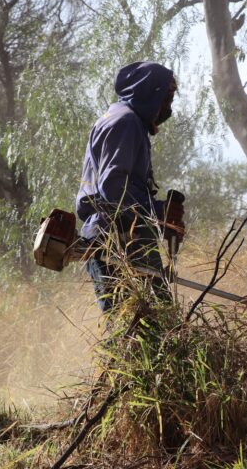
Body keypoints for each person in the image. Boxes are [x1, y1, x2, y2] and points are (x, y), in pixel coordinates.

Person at [75, 61, 184, 314]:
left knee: (138, 324)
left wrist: (160, 215)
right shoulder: (126, 122)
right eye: (166, 98)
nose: (168, 107)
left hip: (116, 236)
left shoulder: (119, 119)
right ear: (150, 94)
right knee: (152, 324)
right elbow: (114, 188)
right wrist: (159, 213)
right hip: (119, 239)